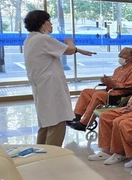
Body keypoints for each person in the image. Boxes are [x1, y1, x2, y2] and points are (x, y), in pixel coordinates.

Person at [23, 10, 94, 146]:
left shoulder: (30, 39)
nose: (51, 24)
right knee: (58, 122)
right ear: (42, 23)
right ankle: (53, 156)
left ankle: (41, 153)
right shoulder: (43, 39)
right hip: (51, 87)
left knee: (45, 124)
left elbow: (65, 50)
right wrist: (70, 41)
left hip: (41, 86)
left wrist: (78, 50)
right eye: (49, 21)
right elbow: (69, 49)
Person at [88, 55, 132, 164]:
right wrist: (130, 103)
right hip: (131, 106)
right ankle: (106, 150)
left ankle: (121, 152)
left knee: (119, 121)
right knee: (105, 116)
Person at [69, 47, 132, 131]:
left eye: (123, 54)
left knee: (98, 95)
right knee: (86, 92)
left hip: (121, 95)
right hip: (110, 91)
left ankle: (84, 123)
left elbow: (129, 87)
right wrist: (106, 81)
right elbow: (112, 84)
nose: (120, 55)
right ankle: (76, 116)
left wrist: (112, 83)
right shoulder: (118, 69)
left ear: (130, 57)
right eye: (120, 53)